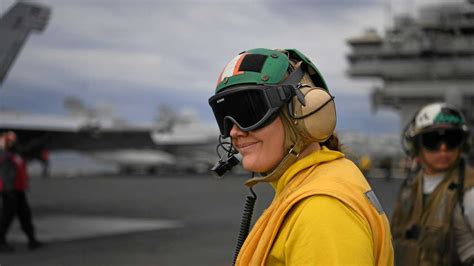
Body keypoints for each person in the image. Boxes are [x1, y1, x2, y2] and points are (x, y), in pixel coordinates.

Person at [208, 48, 394, 265]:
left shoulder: (322, 211)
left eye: (249, 111)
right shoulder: (312, 183)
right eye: (225, 116)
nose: (234, 131)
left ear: (305, 112)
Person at [392, 102, 474, 265]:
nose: (443, 148)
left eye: (451, 140)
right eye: (432, 139)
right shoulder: (410, 187)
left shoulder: (469, 193)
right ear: (417, 146)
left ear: (462, 145)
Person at [0, 131, 42, 252]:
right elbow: (5, 175)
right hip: (9, 191)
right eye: (11, 141)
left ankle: (32, 240)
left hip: (18, 190)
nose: (14, 143)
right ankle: (1, 241)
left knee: (25, 215)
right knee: (6, 217)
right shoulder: (5, 156)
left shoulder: (15, 155)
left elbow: (25, 156)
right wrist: (8, 190)